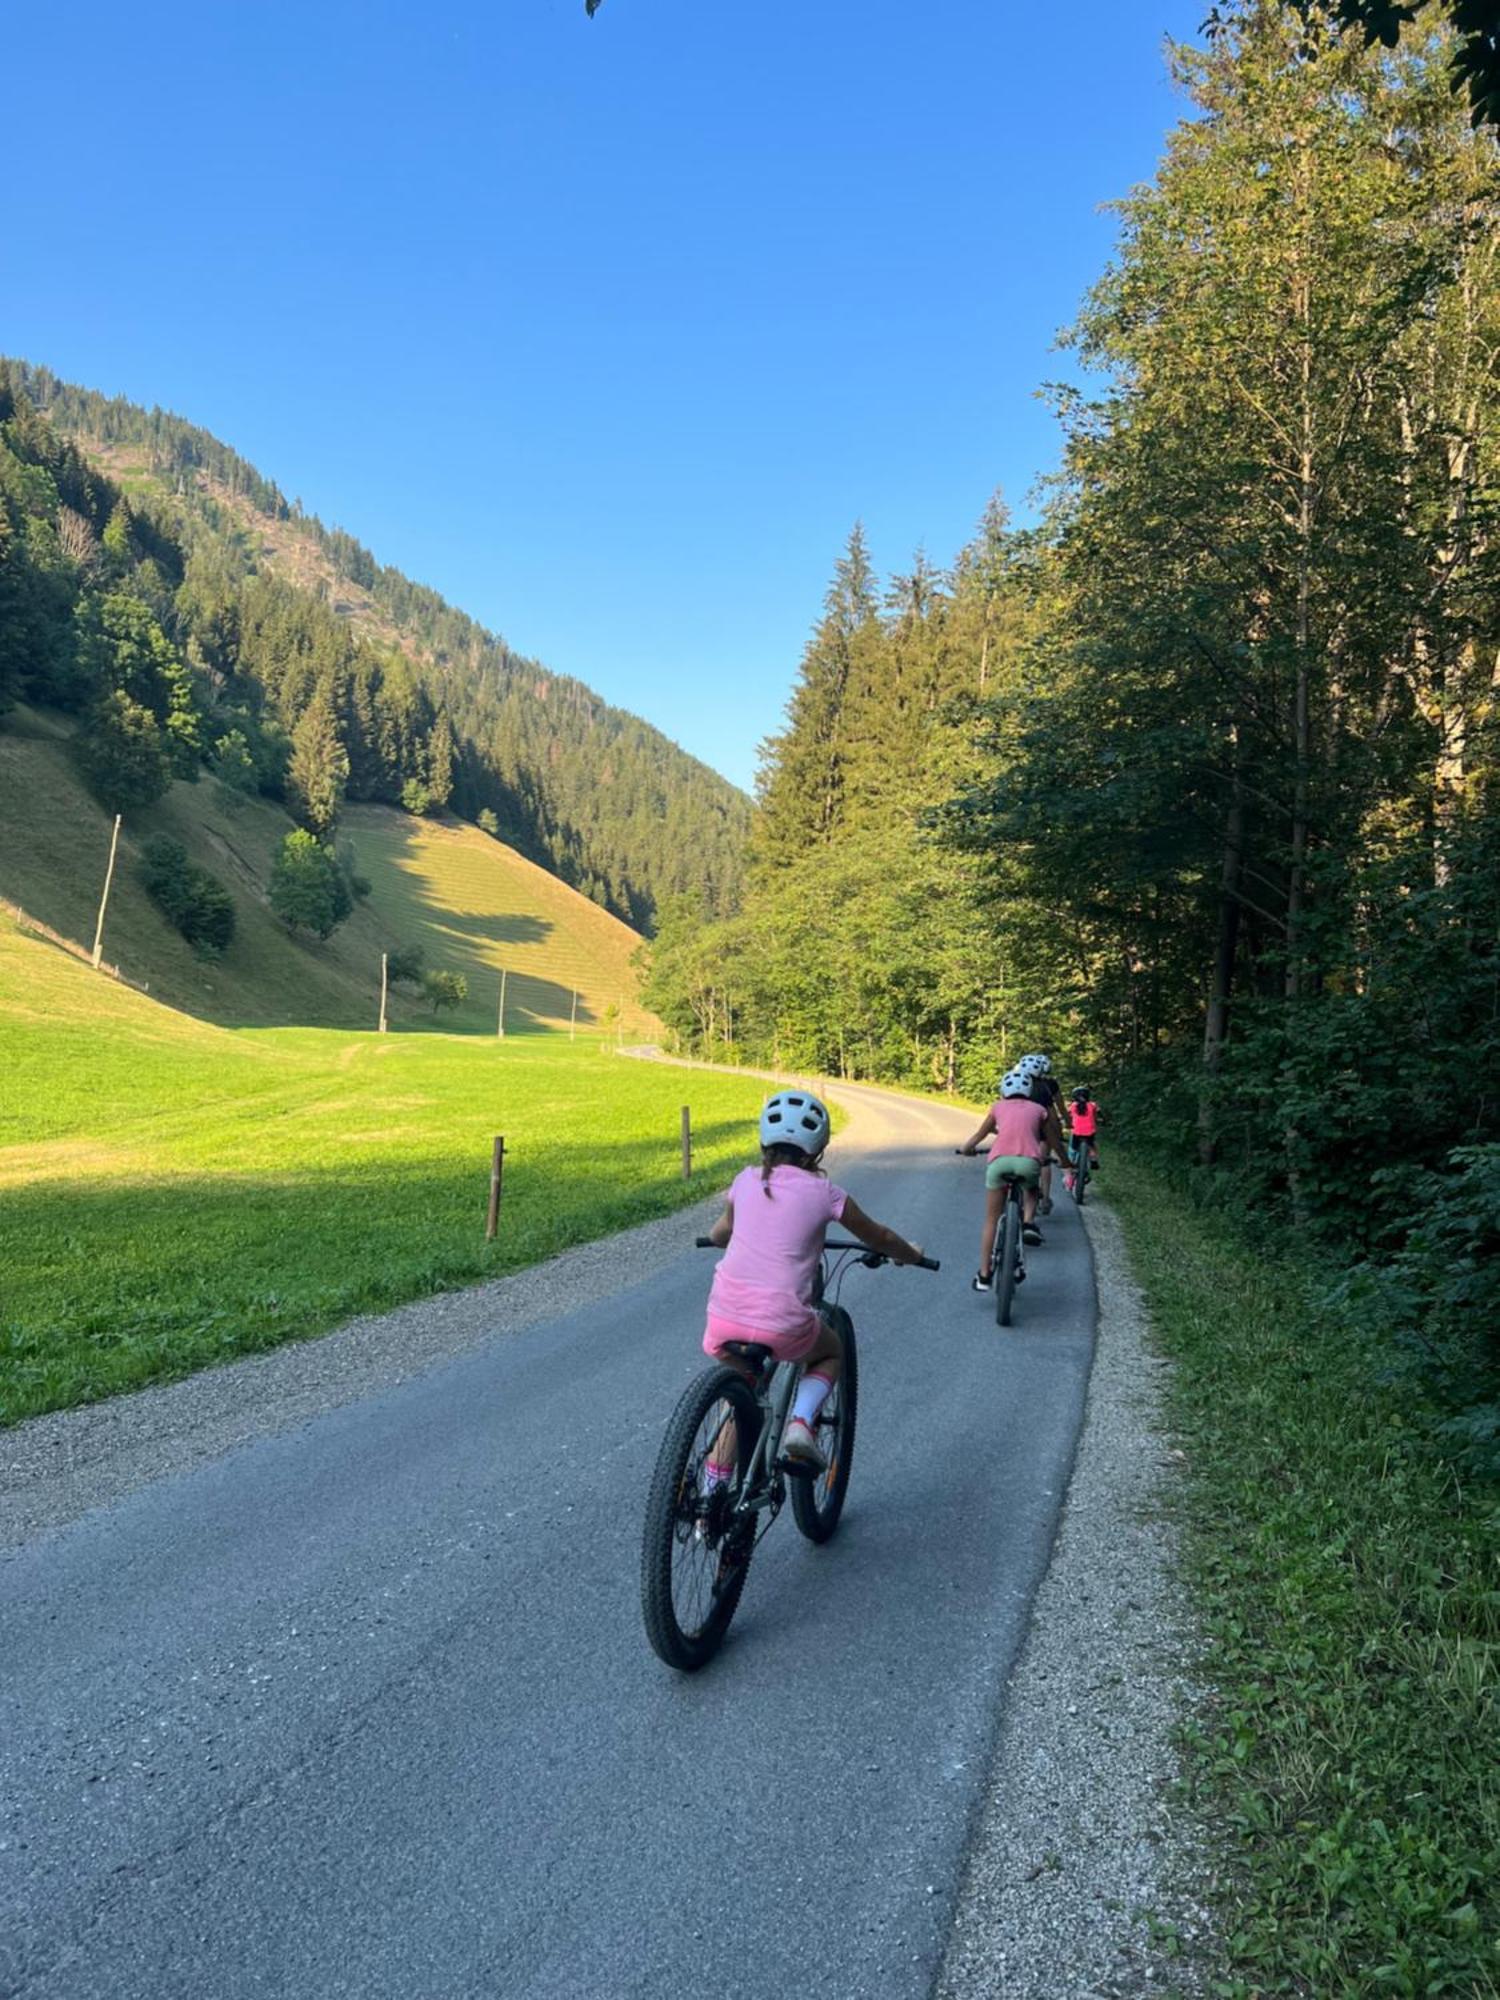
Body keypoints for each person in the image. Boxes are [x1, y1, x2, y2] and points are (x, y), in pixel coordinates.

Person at [701, 1091, 923, 1474]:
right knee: (830, 1351)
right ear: (818, 1151)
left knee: (743, 1389)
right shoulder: (825, 1194)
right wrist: (911, 1254)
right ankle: (802, 1424)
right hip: (783, 1322)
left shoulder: (745, 1180)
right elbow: (881, 1237)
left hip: (723, 1318)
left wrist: (718, 1237)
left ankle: (710, 1493)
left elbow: (721, 1233)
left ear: (764, 1142)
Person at [959, 1067, 1068, 1291]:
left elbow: (979, 1135)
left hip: (999, 1164)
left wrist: (967, 1149)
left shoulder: (997, 1107)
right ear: (1029, 1090)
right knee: (1031, 1190)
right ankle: (1028, 1222)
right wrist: (1066, 1162)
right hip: (1028, 1163)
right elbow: (1054, 1141)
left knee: (991, 1220)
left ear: (1003, 1091)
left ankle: (984, 1275)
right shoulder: (1039, 1110)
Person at [1016, 1052, 1064, 1213]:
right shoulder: (1047, 1086)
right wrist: (1061, 1128)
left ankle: (1020, 1196)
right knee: (1044, 1161)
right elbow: (1057, 1109)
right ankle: (1045, 1199)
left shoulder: (1018, 1082)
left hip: (1023, 1128)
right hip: (1044, 1128)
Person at [1065, 1088, 1100, 1189]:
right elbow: (1097, 1115)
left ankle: (1071, 1166)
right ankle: (1093, 1159)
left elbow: (1067, 1115)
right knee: (1092, 1145)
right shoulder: (1093, 1105)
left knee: (1072, 1149)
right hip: (1090, 1133)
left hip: (1076, 1132)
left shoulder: (1073, 1106)